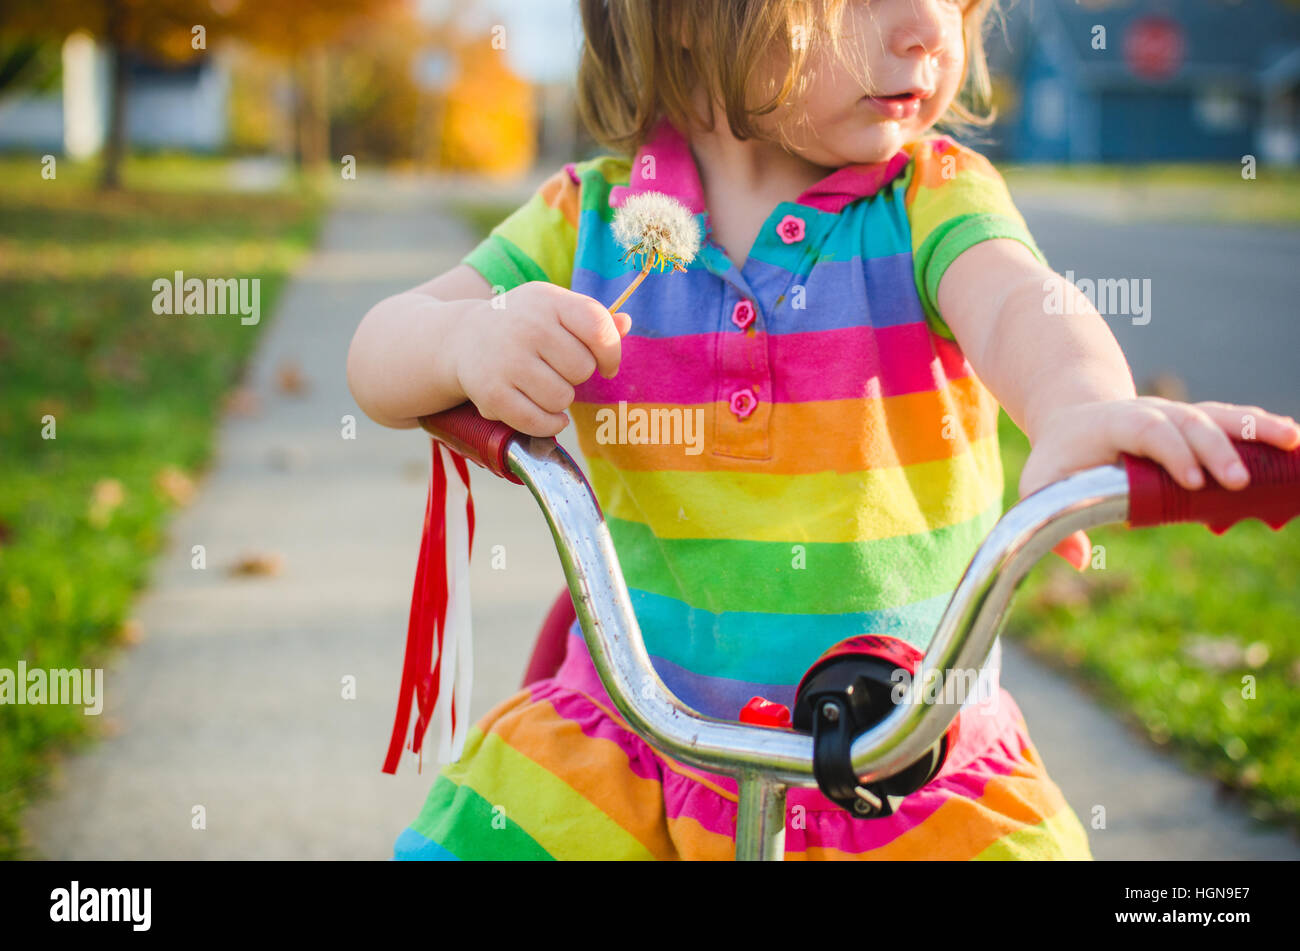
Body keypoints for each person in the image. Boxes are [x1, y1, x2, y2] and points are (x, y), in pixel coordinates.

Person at [347, 0, 1300, 860]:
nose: (931, 26)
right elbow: (378, 349)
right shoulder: (591, 220)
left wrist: (1081, 408)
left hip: (903, 766)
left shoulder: (929, 199)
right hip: (632, 745)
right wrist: (471, 339)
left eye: (957, 1)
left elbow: (1022, 306)